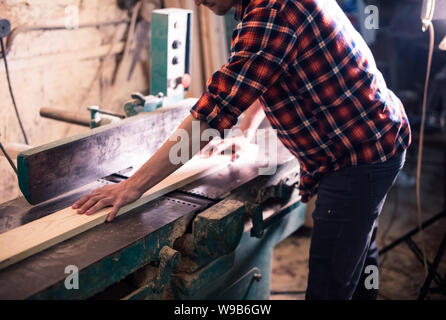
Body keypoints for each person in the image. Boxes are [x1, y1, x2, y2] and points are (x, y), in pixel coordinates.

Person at [72, 0, 411, 299]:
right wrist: (246, 132)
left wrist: (133, 186)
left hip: (359, 154)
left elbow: (211, 115)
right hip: (375, 134)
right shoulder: (262, 10)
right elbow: (268, 74)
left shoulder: (271, 12)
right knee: (359, 253)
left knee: (330, 282)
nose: (198, 0)